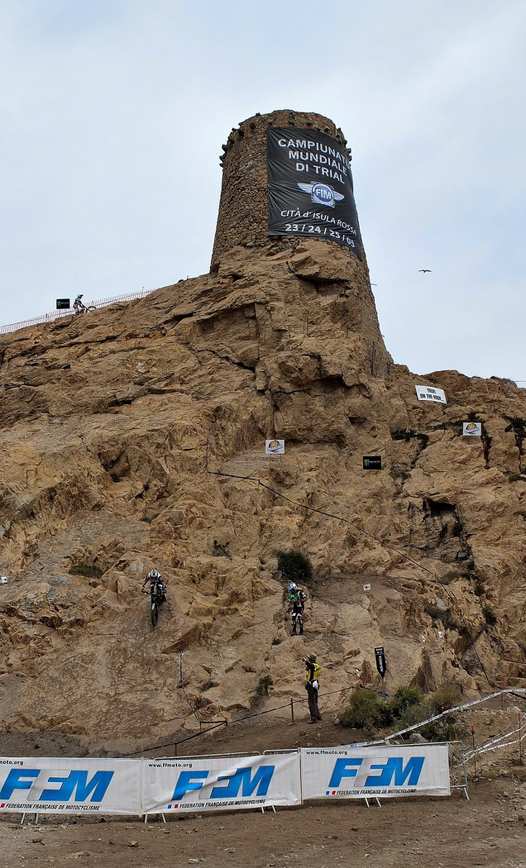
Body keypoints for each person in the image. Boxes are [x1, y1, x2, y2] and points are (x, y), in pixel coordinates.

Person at [304, 654, 321, 723]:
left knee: (311, 702)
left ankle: (313, 718)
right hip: (315, 684)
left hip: (311, 684)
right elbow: (310, 667)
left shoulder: (314, 666)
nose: (308, 660)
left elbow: (311, 666)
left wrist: (305, 661)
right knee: (315, 701)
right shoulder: (316, 665)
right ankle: (318, 716)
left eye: (309, 659)